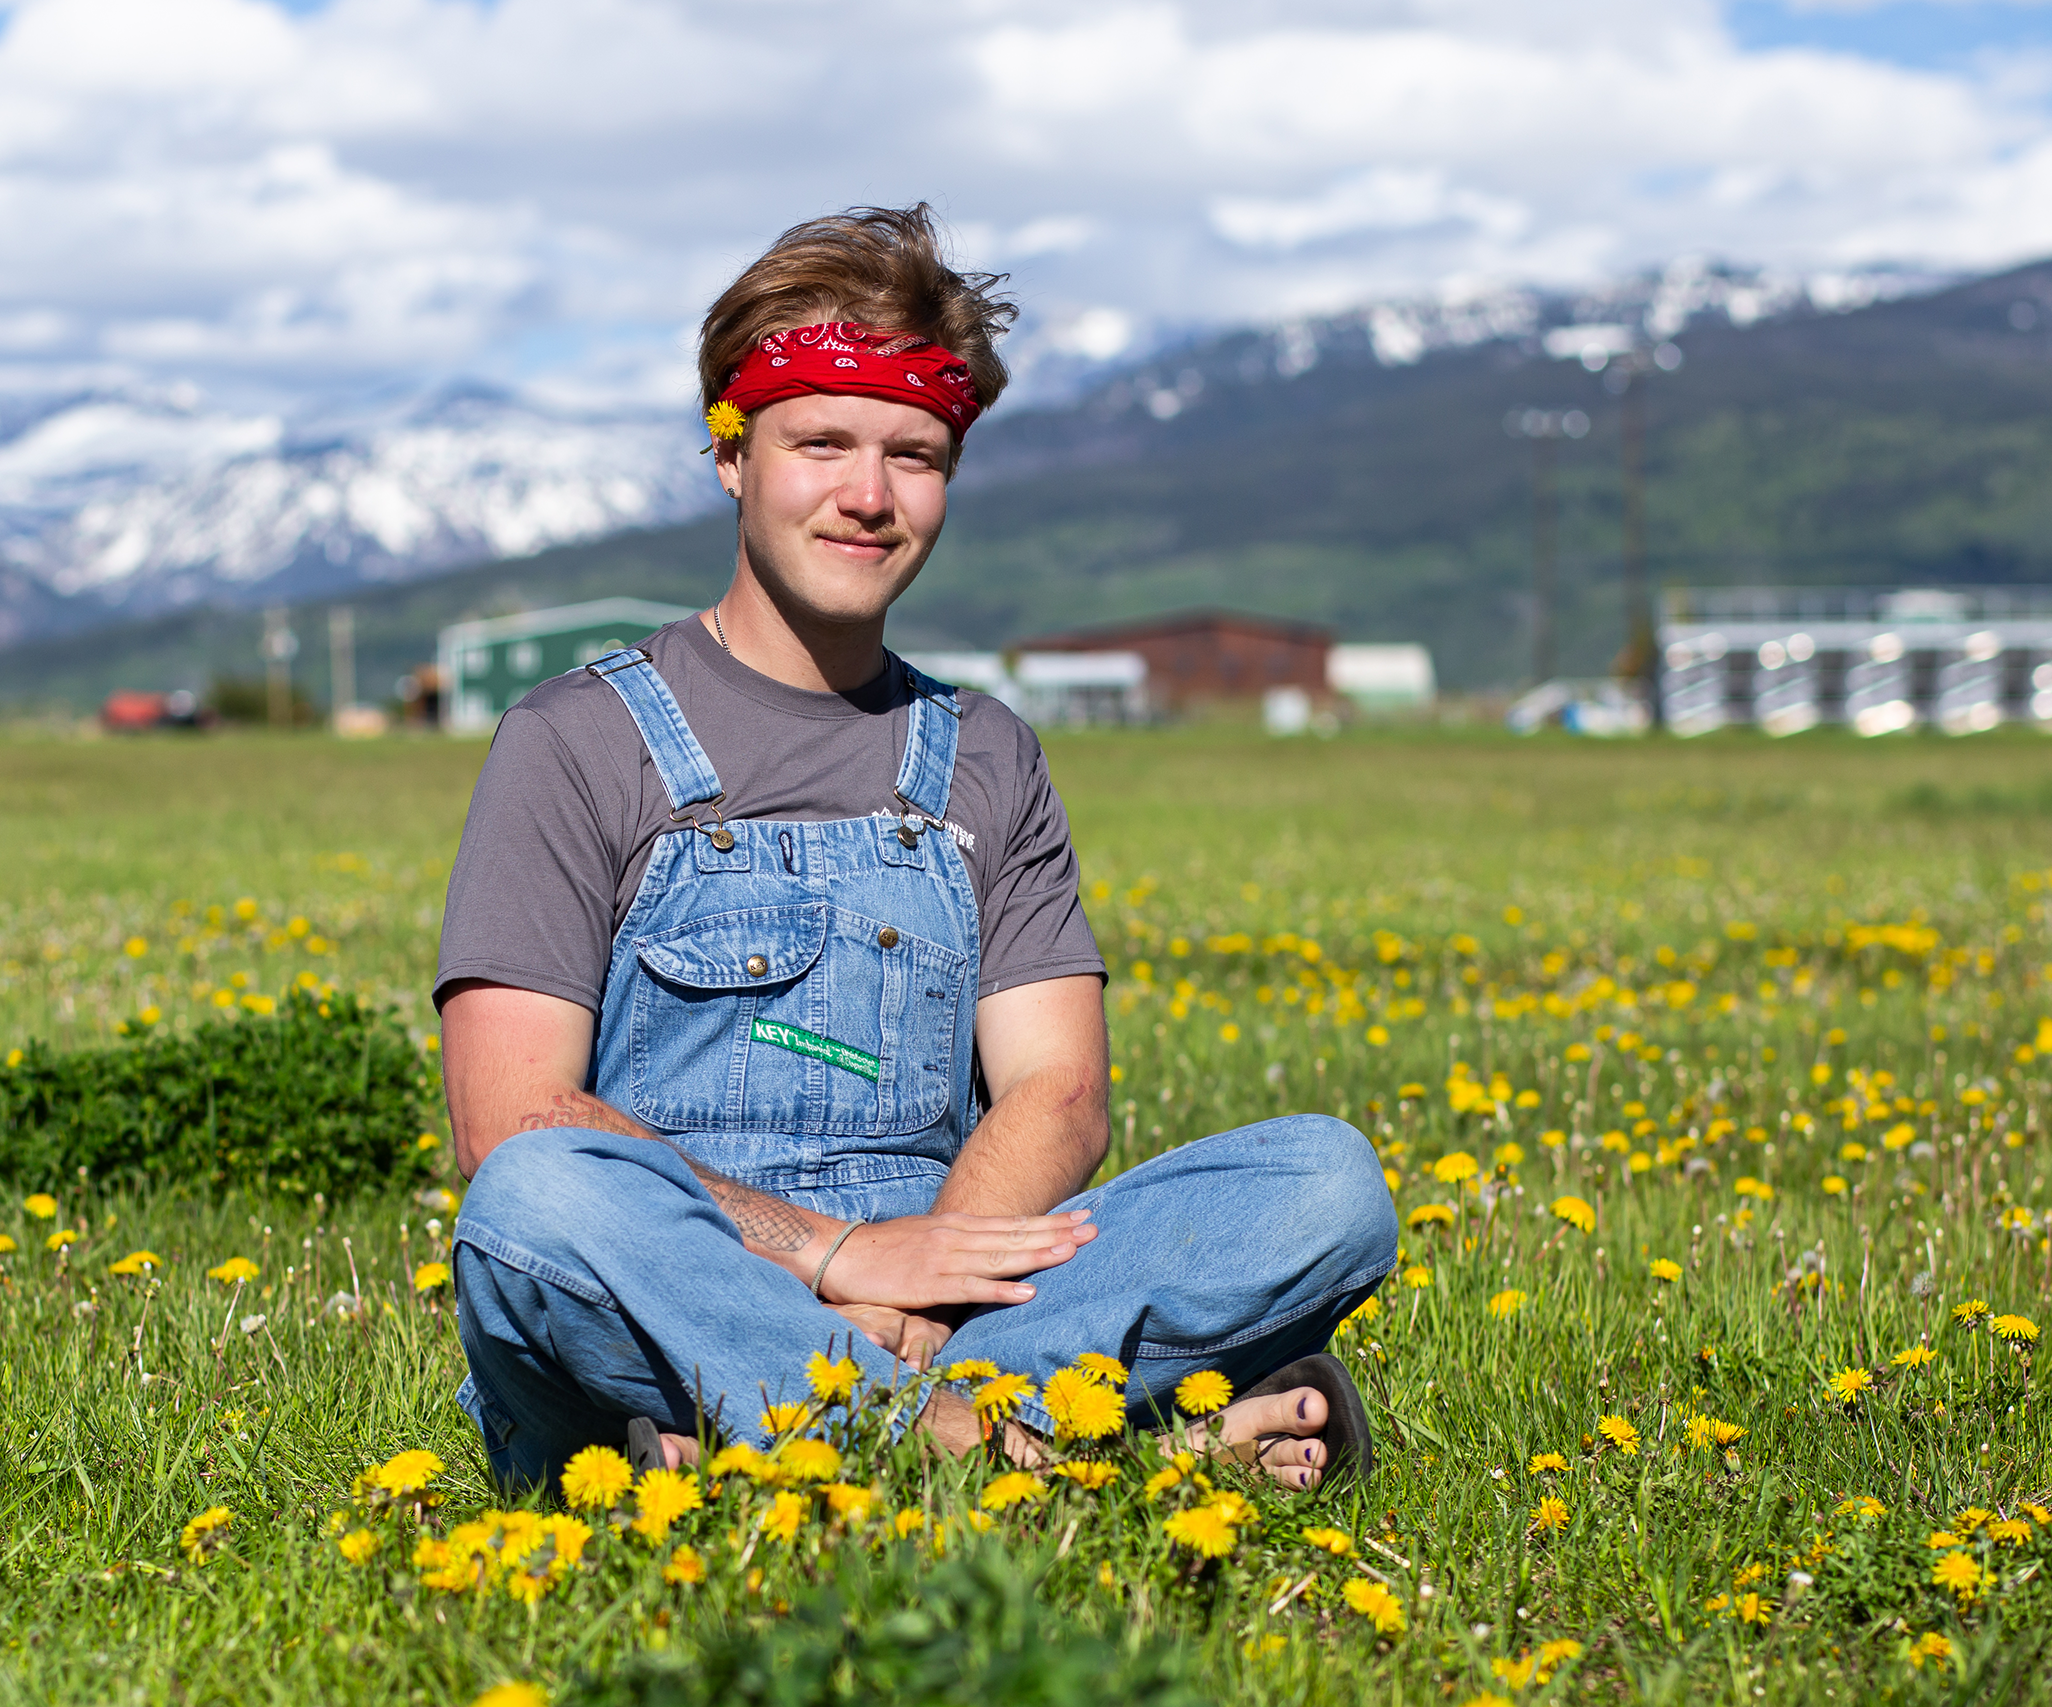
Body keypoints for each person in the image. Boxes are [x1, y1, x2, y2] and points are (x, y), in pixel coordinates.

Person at [434, 204, 1396, 1491]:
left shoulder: (985, 752)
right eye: (820, 442)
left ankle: (810, 1442)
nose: (868, 497)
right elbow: (511, 1120)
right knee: (540, 1204)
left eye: (916, 454)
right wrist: (831, 1259)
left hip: (950, 1289)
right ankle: (1035, 1457)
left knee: (1322, 1183)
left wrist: (918, 1285)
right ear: (731, 455)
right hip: (682, 1277)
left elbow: (1058, 1089)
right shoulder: (575, 739)